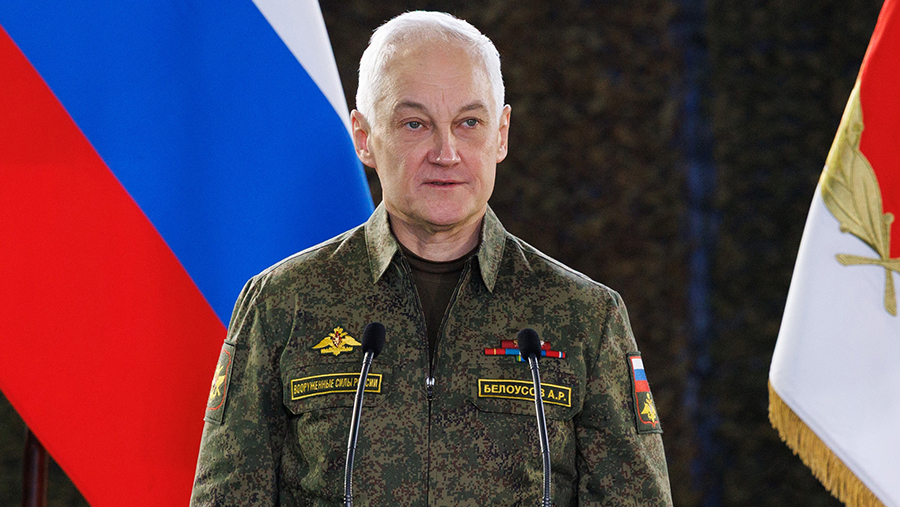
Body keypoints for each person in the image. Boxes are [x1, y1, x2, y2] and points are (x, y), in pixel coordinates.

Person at [191, 11, 672, 506]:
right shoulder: (281, 304)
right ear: (363, 137)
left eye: (469, 122)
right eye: (415, 124)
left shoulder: (586, 316)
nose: (446, 152)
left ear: (501, 133)